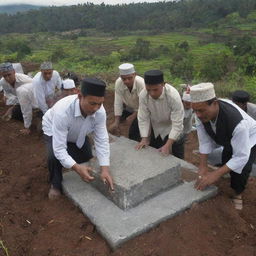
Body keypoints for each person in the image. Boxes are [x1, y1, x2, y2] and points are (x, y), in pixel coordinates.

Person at [42, 77, 114, 199]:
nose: (96, 108)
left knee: (86, 154)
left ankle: (70, 161)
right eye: (92, 103)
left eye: (100, 103)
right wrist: (76, 168)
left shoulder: (99, 112)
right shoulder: (63, 112)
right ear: (80, 96)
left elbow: (101, 139)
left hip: (78, 131)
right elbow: (59, 148)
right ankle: (55, 184)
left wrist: (105, 169)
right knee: (54, 155)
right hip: (53, 129)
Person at [190, 83, 256, 210]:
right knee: (227, 157)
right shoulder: (200, 114)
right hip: (228, 137)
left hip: (250, 136)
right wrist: (203, 166)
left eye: (201, 110)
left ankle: (238, 194)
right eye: (195, 110)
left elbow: (240, 156)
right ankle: (226, 173)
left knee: (242, 168)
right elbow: (204, 141)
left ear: (215, 103)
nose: (197, 114)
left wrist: (215, 174)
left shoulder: (237, 124)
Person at [136, 70, 185, 159]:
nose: (152, 93)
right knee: (155, 154)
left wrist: (168, 144)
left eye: (155, 89)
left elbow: (177, 124)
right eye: (148, 89)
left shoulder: (173, 96)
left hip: (172, 127)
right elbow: (143, 117)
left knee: (177, 157)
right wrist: (144, 138)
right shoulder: (143, 95)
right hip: (156, 128)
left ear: (163, 84)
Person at [109, 63, 145, 141]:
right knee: (113, 121)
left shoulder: (141, 84)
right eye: (124, 79)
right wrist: (116, 121)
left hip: (143, 110)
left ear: (135, 74)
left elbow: (144, 105)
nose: (127, 81)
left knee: (134, 130)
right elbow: (118, 102)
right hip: (129, 107)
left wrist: (132, 117)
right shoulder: (119, 82)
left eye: (129, 78)